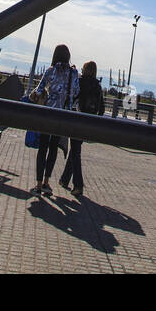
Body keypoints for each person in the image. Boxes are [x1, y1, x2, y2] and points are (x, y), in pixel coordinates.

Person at [30, 44, 78, 196]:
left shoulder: (51, 71)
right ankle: (46, 182)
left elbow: (39, 89)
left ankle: (37, 184)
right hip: (63, 115)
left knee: (43, 147)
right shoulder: (73, 73)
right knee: (53, 148)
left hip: (48, 113)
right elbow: (76, 91)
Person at [59, 61, 104, 197]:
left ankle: (78, 184)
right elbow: (101, 108)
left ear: (85, 70)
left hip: (78, 119)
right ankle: (64, 179)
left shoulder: (80, 81)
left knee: (75, 153)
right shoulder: (97, 85)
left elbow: (73, 97)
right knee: (75, 149)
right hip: (89, 122)